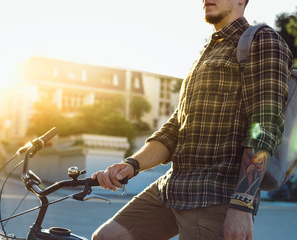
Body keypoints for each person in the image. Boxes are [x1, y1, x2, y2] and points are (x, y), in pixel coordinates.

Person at [91, 0, 293, 239]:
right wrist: (131, 165)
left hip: (215, 195)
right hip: (173, 186)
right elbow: (175, 129)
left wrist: (242, 203)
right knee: (109, 236)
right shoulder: (206, 54)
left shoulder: (263, 41)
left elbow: (264, 123)